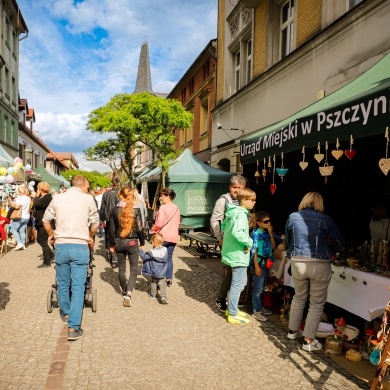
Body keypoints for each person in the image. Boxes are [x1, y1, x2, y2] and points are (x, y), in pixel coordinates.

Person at [285, 191, 345, 352]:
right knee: (316, 303)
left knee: (299, 297)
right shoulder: (325, 219)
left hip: (298, 262)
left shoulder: (293, 217)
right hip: (320, 263)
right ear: (319, 203)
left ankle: (292, 331)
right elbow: (340, 241)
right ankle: (308, 341)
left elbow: (289, 240)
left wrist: (293, 254)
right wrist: (331, 249)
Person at [43, 175, 99, 341]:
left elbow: (46, 221)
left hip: (61, 245)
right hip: (80, 245)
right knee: (79, 286)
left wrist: (51, 235)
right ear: (81, 186)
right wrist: (90, 236)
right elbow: (95, 223)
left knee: (62, 283)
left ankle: (66, 313)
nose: (88, 189)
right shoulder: (88, 199)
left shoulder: (57, 198)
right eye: (87, 187)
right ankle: (73, 327)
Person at [211, 175, 247, 312]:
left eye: (240, 187)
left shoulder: (244, 200)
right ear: (230, 187)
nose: (236, 190)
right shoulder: (223, 200)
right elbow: (215, 220)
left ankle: (233, 298)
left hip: (240, 242)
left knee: (236, 272)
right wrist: (220, 238)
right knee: (230, 272)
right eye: (234, 187)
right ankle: (221, 299)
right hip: (228, 242)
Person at [222, 188, 256, 324]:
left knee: (240, 283)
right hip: (238, 255)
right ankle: (232, 313)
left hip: (233, 253)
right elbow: (237, 232)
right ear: (244, 200)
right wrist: (249, 242)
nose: (254, 202)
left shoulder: (233, 212)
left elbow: (224, 226)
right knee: (238, 284)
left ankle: (231, 308)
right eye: (252, 200)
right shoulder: (241, 214)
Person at [108, 186, 145, 307]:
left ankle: (124, 291)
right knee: (134, 269)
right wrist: (142, 242)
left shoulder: (114, 210)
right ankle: (129, 293)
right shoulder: (136, 209)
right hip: (133, 242)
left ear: (120, 196)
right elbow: (140, 228)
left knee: (122, 269)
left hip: (119, 241)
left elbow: (111, 230)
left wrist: (112, 244)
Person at [250, 211, 281, 322]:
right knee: (258, 288)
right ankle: (256, 310)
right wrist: (256, 267)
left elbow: (273, 247)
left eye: (269, 221)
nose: (269, 223)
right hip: (260, 263)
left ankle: (260, 307)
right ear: (259, 223)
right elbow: (254, 251)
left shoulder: (267, 233)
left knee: (263, 287)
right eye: (266, 221)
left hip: (267, 263)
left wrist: (271, 233)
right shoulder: (256, 234)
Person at [150, 188, 180, 286]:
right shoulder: (176, 208)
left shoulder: (163, 208)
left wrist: (152, 229)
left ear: (167, 196)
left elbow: (159, 223)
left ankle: (159, 279)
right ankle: (169, 278)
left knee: (159, 258)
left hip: (163, 237)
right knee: (169, 258)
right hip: (173, 236)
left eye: (162, 196)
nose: (161, 198)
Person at [139, 233, 168, 304]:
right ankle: (163, 296)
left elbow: (144, 257)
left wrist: (140, 250)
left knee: (154, 282)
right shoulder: (165, 250)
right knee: (162, 283)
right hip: (163, 271)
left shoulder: (151, 253)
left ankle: (153, 295)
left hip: (154, 271)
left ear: (154, 242)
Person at [100, 177, 120, 267]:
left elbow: (102, 208)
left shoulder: (106, 194)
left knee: (109, 236)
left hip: (108, 218)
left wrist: (102, 218)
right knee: (118, 236)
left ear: (112, 184)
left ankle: (110, 253)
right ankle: (116, 258)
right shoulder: (120, 194)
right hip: (119, 218)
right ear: (118, 184)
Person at [33, 182, 54, 268]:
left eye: (38, 188)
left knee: (43, 241)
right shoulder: (43, 197)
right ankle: (51, 254)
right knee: (39, 240)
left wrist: (36, 196)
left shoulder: (47, 197)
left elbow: (37, 204)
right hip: (39, 222)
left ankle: (47, 261)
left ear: (41, 189)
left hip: (44, 223)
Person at [10, 184, 32, 251]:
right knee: (22, 231)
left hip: (19, 216)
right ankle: (23, 245)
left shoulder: (19, 198)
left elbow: (17, 207)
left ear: (19, 191)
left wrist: (12, 203)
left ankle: (19, 243)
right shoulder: (28, 198)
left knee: (13, 229)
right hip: (26, 216)